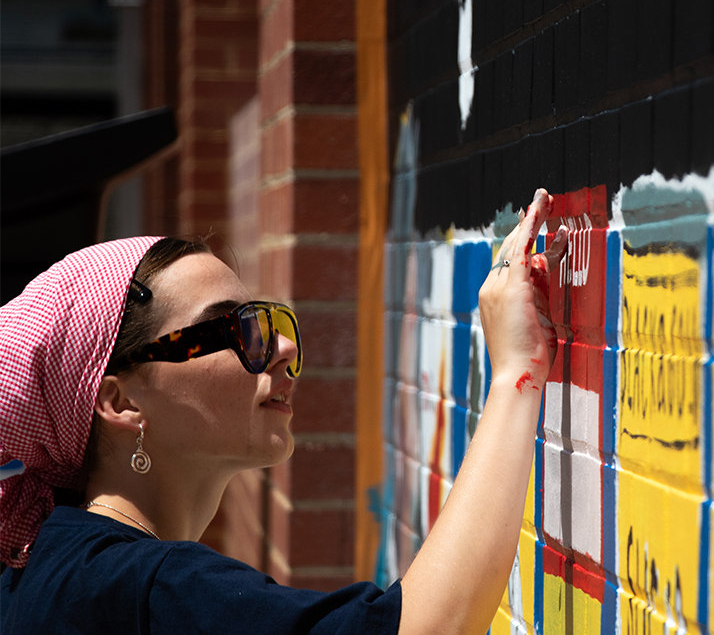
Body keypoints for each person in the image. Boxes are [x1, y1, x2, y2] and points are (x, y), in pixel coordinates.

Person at [0, 189, 566, 634]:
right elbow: (427, 628)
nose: (285, 350)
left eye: (271, 322)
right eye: (239, 330)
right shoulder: (146, 590)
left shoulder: (48, 574)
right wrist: (516, 369)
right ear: (120, 402)